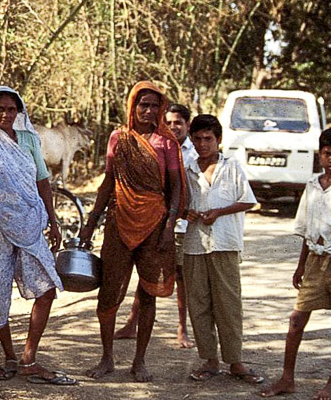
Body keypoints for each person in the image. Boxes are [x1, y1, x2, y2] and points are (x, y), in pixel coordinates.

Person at [0, 87, 75, 385]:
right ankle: (10, 356)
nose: (5, 115)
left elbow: (42, 181)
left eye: (11, 109)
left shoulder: (28, 140)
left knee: (46, 287)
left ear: (19, 111)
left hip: (29, 223)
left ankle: (29, 358)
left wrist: (54, 220)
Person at [78, 81, 186, 382]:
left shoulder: (167, 144)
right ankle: (107, 358)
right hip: (119, 223)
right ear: (132, 107)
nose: (149, 111)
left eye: (154, 105)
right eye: (143, 105)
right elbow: (108, 181)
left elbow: (175, 189)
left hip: (155, 226)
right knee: (108, 293)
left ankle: (140, 361)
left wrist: (169, 226)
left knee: (148, 293)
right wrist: (91, 222)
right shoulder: (118, 138)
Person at [262, 127, 331, 400]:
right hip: (314, 258)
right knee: (297, 318)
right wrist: (301, 265)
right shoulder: (312, 186)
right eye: (327, 154)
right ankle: (287, 378)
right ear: (319, 155)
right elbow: (306, 228)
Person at [182, 115, 261, 383]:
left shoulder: (231, 166)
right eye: (198, 139)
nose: (203, 144)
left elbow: (247, 201)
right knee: (199, 302)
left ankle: (235, 361)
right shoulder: (187, 169)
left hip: (225, 242)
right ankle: (209, 360)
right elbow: (179, 202)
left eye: (209, 139)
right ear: (191, 140)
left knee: (228, 302)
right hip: (195, 244)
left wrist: (219, 211)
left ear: (219, 140)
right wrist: (187, 212)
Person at [114, 102, 195, 349]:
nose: (173, 127)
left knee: (180, 276)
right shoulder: (153, 144)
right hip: (155, 222)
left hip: (182, 225)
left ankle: (182, 328)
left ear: (187, 126)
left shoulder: (193, 152)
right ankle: (131, 321)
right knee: (146, 274)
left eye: (178, 123)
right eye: (168, 122)